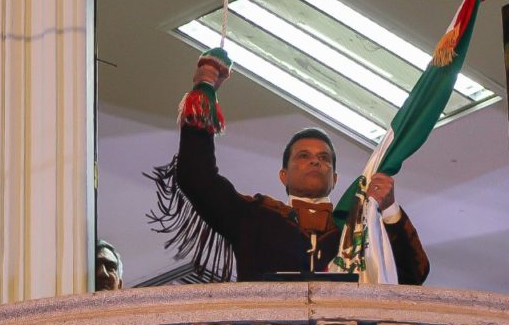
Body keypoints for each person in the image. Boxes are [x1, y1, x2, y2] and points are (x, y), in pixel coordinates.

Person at [175, 49, 430, 284]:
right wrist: (204, 88)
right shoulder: (254, 218)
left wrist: (389, 210)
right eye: (303, 155)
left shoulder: (358, 231)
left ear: (335, 179)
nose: (315, 160)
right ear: (283, 175)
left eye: (324, 158)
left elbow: (412, 276)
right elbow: (196, 178)